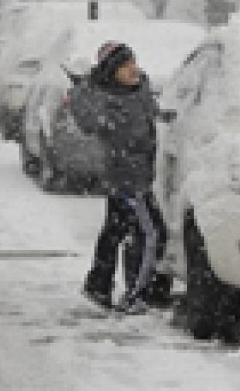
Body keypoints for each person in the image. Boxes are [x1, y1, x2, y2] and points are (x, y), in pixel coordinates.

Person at [68, 41, 169, 315]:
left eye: (134, 61)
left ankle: (98, 285)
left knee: (116, 230)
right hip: (128, 177)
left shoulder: (140, 89)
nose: (133, 68)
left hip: (138, 175)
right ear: (112, 71)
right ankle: (136, 294)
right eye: (125, 65)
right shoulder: (106, 100)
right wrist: (81, 91)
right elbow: (87, 121)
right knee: (152, 233)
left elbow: (155, 111)